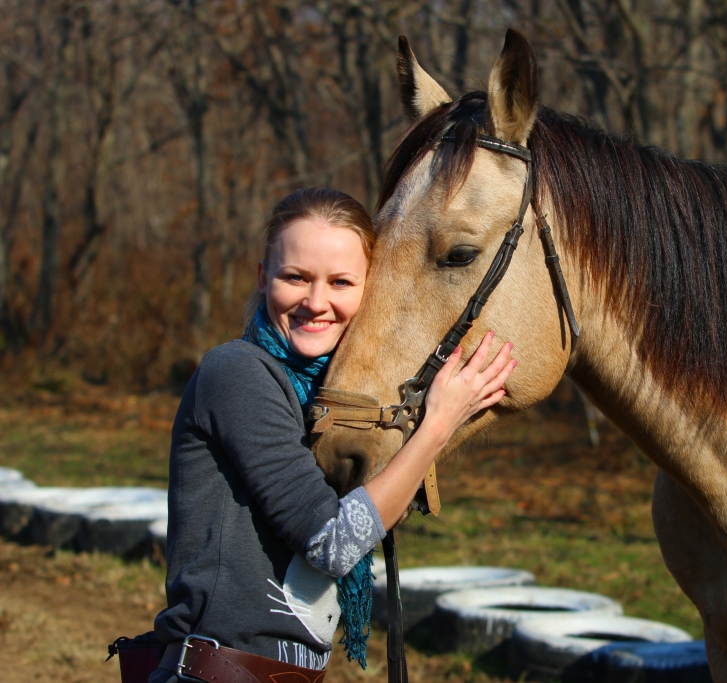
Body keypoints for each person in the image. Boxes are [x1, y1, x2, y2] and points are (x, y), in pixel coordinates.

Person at [149, 188, 516, 682]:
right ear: (263, 278)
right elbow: (334, 542)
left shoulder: (321, 400)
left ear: (370, 290)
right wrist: (438, 427)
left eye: (341, 282)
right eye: (295, 277)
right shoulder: (238, 373)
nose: (316, 302)